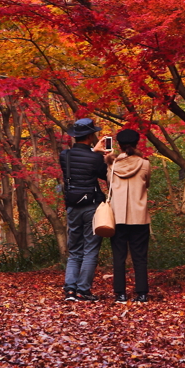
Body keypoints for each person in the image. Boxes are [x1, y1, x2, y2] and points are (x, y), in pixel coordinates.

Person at [59, 118, 109, 302]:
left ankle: (70, 290)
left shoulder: (64, 155)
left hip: (72, 205)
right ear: (90, 136)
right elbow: (105, 175)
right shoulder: (95, 157)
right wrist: (102, 155)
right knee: (90, 248)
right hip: (91, 206)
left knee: (75, 250)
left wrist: (93, 151)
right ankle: (83, 290)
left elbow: (79, 160)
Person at [104, 129, 151, 303]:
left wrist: (107, 156)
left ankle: (120, 294)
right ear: (137, 143)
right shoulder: (144, 164)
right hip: (139, 216)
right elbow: (147, 184)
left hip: (118, 217)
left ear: (119, 145)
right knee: (140, 256)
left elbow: (109, 183)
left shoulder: (112, 165)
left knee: (119, 256)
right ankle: (142, 293)